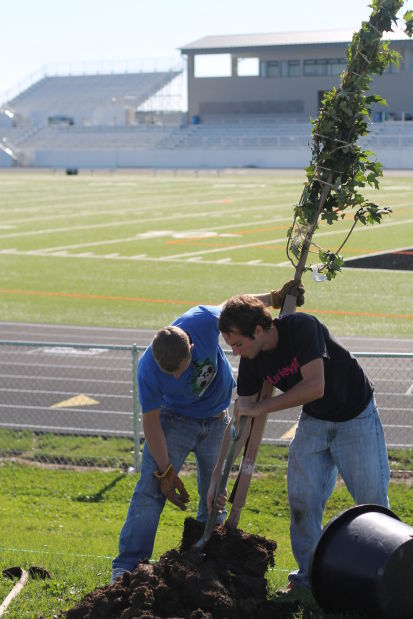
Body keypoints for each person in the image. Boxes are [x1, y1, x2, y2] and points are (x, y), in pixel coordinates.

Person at [111, 281, 305, 582]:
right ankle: (127, 568)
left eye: (182, 368)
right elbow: (150, 422)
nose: (176, 375)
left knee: (214, 495)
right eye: (170, 372)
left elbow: (233, 312)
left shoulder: (201, 321)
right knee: (149, 492)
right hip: (174, 420)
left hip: (217, 420)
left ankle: (205, 562)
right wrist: (166, 472)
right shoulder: (148, 369)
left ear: (191, 345)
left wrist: (274, 299)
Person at [210, 294, 390, 590]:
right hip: (315, 421)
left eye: (238, 344)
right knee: (302, 502)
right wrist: (219, 473)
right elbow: (242, 416)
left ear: (258, 330)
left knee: (372, 505)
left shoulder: (302, 327)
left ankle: (388, 579)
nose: (236, 352)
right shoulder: (252, 359)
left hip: (355, 416)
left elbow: (315, 386)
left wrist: (260, 408)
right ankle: (308, 579)